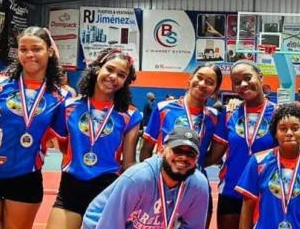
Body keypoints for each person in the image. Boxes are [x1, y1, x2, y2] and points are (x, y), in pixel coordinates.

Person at [0, 26, 67, 229]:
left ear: (50, 51)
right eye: (23, 49)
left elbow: (65, 144)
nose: (29, 54)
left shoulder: (60, 97)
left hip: (25, 180)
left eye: (36, 49)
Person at [46, 48, 142, 229]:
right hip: (71, 187)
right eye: (110, 69)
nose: (113, 77)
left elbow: (128, 163)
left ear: (125, 82)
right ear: (97, 69)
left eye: (121, 75)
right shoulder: (69, 107)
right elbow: (63, 145)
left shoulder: (130, 115)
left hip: (107, 190)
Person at [140, 63, 224, 227]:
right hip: (161, 183)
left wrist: (191, 163)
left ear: (215, 90)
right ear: (190, 79)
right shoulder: (164, 109)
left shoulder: (215, 117)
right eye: (200, 78)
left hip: (196, 185)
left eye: (210, 82)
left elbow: (215, 155)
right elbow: (146, 150)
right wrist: (152, 178)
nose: (202, 84)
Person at [82, 126, 210, 229]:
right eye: (177, 150)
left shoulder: (198, 186)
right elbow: (110, 224)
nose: (183, 157)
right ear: (161, 151)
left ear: (196, 159)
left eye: (190, 154)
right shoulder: (138, 179)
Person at [236, 103, 300, 229]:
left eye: (295, 128)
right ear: (275, 133)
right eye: (283, 129)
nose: (289, 133)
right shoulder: (258, 162)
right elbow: (248, 206)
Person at [209, 60, 278, 229]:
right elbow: (214, 156)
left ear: (260, 77)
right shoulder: (228, 114)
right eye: (237, 82)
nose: (243, 84)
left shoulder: (279, 114)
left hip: (266, 193)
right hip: (232, 191)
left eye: (248, 78)